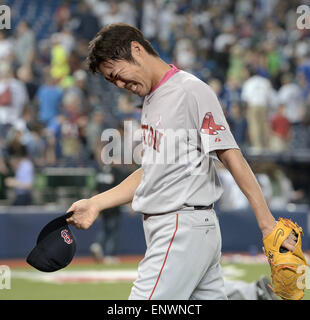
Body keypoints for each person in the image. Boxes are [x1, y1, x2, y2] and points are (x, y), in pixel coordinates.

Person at [66, 23, 297, 300]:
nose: (118, 85)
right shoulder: (153, 99)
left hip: (180, 229)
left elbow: (230, 154)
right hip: (186, 229)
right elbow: (151, 172)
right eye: (111, 80)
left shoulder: (189, 91)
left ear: (136, 50)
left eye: (117, 74)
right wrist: (96, 203)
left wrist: (266, 222)